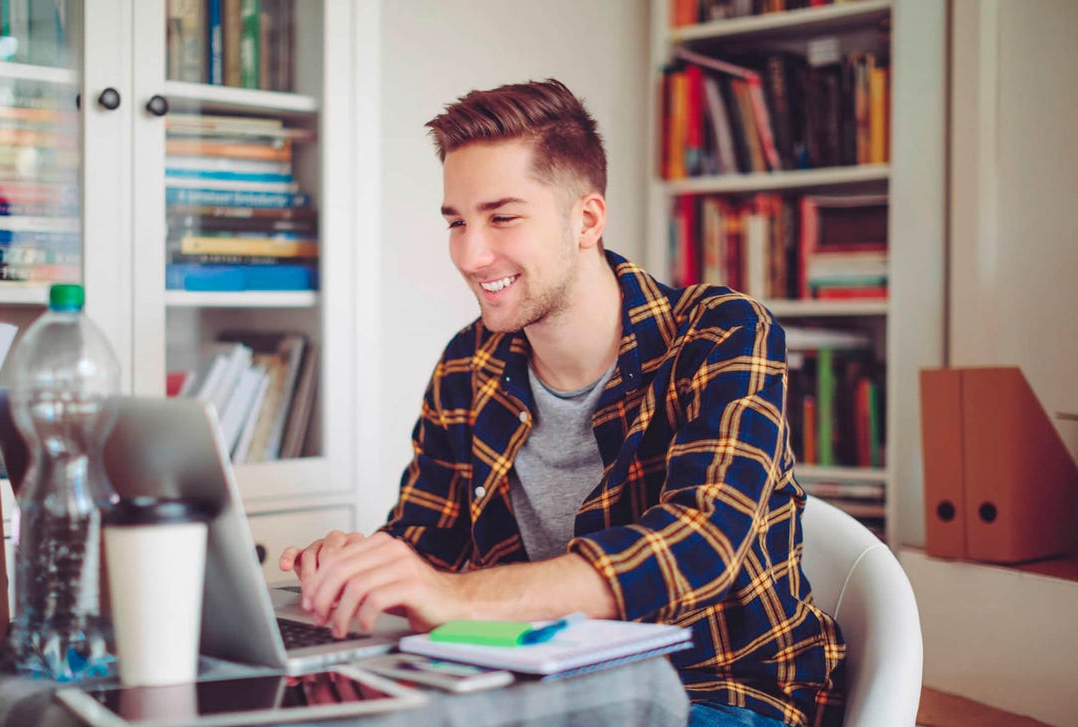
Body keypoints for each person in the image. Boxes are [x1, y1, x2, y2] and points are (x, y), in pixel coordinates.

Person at [279, 79, 845, 727]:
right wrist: (363, 567)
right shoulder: (469, 364)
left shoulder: (721, 332)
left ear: (587, 219)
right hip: (536, 684)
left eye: (502, 216)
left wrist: (451, 595)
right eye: (457, 221)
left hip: (717, 694)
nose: (469, 253)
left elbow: (700, 543)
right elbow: (423, 544)